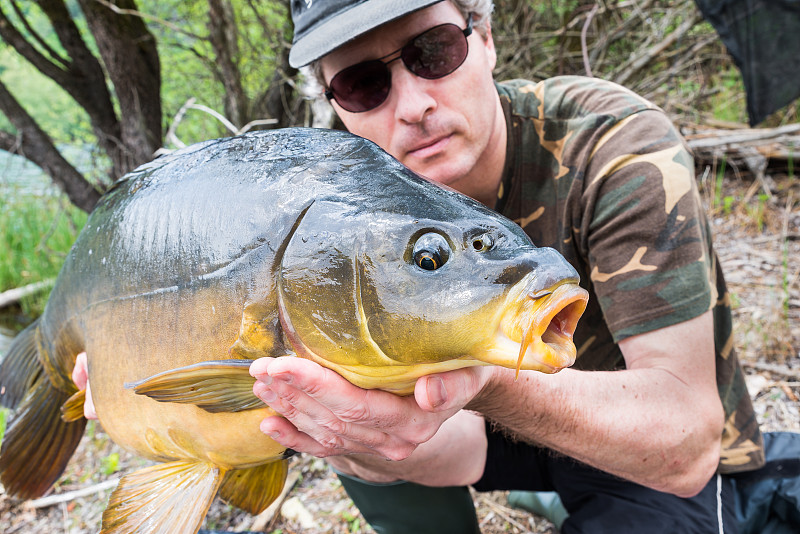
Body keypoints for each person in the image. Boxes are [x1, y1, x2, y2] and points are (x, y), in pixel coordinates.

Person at [74, 1, 766, 532]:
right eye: (362, 83)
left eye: (433, 52)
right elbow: (427, 439)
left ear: (485, 36)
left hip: (639, 440)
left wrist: (485, 379)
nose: (412, 108)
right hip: (470, 432)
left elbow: (686, 447)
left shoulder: (612, 144)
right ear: (335, 103)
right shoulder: (331, 205)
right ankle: (526, 486)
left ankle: (556, 489)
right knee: (345, 408)